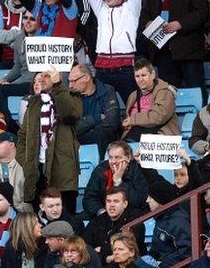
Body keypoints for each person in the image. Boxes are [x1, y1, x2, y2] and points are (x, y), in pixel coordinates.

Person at [81, 0, 141, 104]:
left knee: (133, 106)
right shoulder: (101, 10)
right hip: (102, 67)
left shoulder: (131, 9)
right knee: (103, 109)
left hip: (125, 67)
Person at [17, 69, 82, 214]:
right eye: (37, 78)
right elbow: (22, 136)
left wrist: (58, 85)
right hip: (37, 171)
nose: (40, 80)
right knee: (39, 224)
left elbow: (70, 115)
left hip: (62, 171)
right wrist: (25, 161)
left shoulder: (72, 97)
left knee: (64, 219)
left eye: (45, 76)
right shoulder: (33, 103)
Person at [83, 141, 148, 219]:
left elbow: (139, 201)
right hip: (104, 213)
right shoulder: (100, 170)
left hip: (129, 215)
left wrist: (119, 181)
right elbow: (89, 198)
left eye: (117, 157)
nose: (113, 161)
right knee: (78, 221)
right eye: (110, 157)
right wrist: (101, 211)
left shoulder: (137, 171)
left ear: (128, 158)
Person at [82, 187, 145, 263]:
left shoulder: (134, 221)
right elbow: (85, 247)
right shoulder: (97, 221)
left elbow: (128, 246)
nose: (111, 205)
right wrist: (105, 258)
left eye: (116, 201)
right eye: (108, 201)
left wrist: (102, 249)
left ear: (125, 204)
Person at [122, 59, 179, 141]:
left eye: (144, 75)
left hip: (160, 136)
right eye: (137, 76)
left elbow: (157, 117)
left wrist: (132, 120)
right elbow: (127, 121)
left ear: (152, 74)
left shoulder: (164, 92)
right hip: (135, 137)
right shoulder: (133, 95)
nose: (140, 79)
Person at [68, 64, 120, 154]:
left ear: (87, 78)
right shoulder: (70, 96)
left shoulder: (107, 90)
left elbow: (113, 121)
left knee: (102, 133)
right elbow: (70, 129)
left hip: (104, 142)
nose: (70, 86)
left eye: (74, 81)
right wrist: (96, 118)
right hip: (77, 143)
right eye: (70, 81)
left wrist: (86, 128)